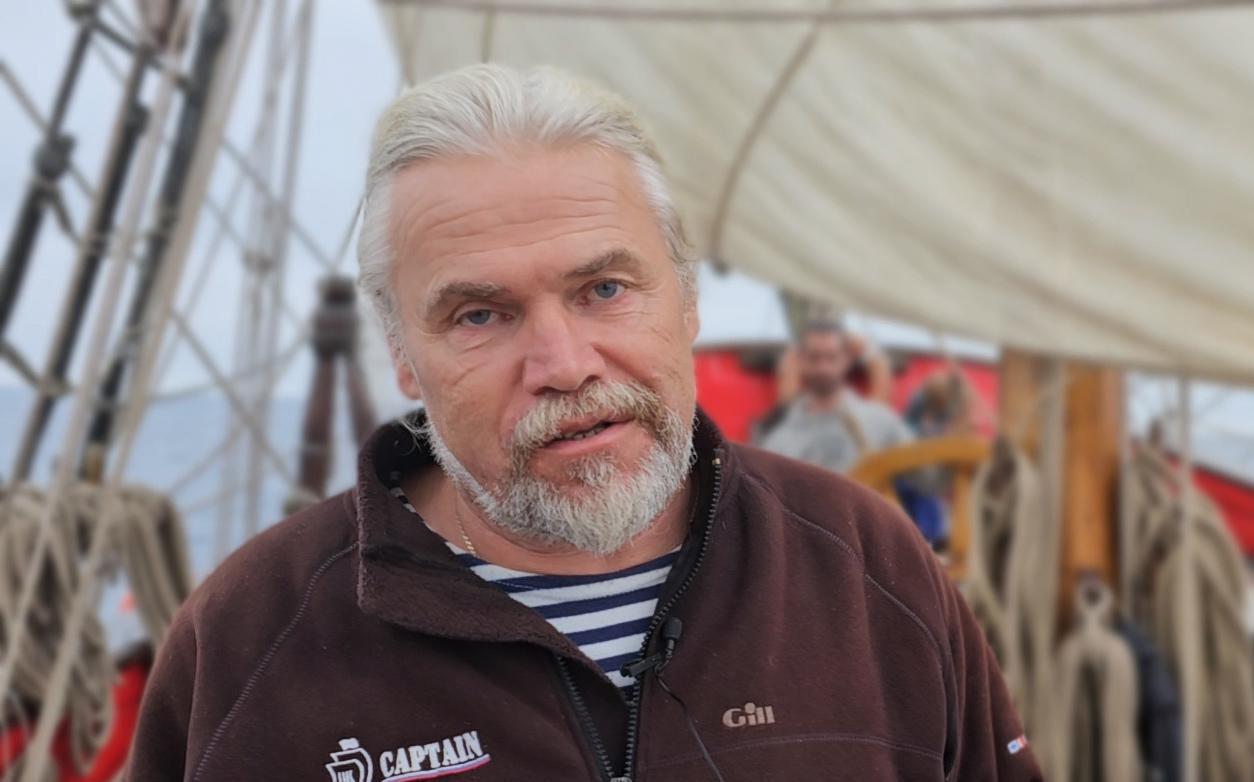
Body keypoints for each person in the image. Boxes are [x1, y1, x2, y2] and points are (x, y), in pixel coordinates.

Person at [126, 65, 1040, 781]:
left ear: (686, 300)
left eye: (604, 289)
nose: (564, 364)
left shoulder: (866, 568)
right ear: (402, 354)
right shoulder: (250, 641)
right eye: (479, 315)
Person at [758, 321, 914, 474]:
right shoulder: (779, 433)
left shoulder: (879, 420)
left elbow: (922, 472)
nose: (823, 368)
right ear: (801, 360)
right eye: (814, 357)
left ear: (846, 359)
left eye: (831, 357)